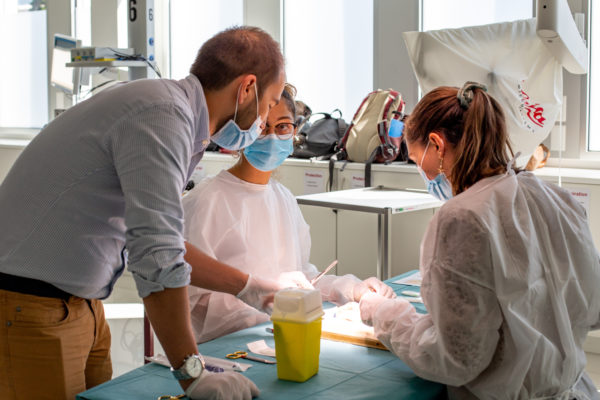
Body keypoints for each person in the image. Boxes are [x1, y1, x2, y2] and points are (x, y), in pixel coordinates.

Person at [0, 26, 287, 400]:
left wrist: (249, 287)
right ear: (247, 87)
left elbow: (164, 239)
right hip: (32, 305)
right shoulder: (163, 114)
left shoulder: (178, 118)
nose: (264, 122)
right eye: (270, 104)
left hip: (81, 306)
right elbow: (157, 253)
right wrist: (193, 373)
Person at [359, 82, 600, 399]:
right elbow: (592, 309)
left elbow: (455, 360)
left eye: (419, 162)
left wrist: (385, 314)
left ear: (437, 144)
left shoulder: (462, 217)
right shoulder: (556, 198)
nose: (425, 175)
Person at [183, 84, 395, 343]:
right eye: (261, 127)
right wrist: (268, 298)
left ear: (295, 131)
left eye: (283, 126)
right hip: (228, 346)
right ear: (241, 132)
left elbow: (304, 279)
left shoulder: (283, 198)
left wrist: (350, 289)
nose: (272, 137)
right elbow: (194, 304)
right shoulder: (207, 201)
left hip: (280, 336)